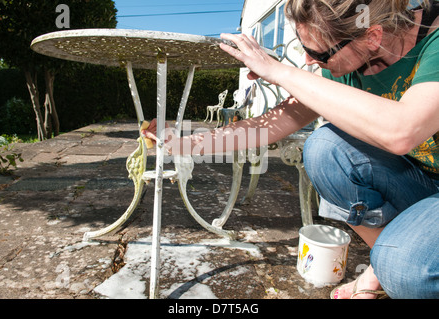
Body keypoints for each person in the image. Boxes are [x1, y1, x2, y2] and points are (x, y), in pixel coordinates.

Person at [143, 0, 439, 299]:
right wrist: (185, 142)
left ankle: (393, 264)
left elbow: (403, 131)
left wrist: (280, 72)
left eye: (318, 53)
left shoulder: (434, 42)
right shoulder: (350, 56)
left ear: (373, 37)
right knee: (325, 147)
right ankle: (383, 262)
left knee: (406, 273)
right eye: (303, 48)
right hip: (420, 184)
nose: (309, 61)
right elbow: (268, 125)